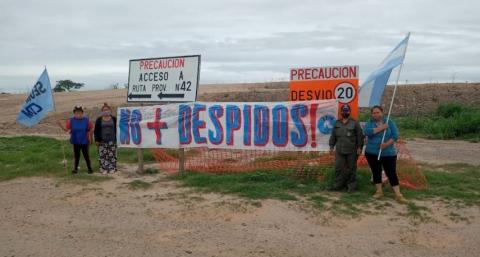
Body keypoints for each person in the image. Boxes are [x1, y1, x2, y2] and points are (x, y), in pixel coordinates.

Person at [364, 105, 408, 204]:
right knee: (376, 172)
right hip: (371, 152)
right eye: (374, 113)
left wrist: (386, 144)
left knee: (391, 172)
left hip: (388, 153)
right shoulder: (370, 122)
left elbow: (395, 135)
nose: (375, 114)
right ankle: (379, 191)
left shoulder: (389, 121)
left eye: (377, 112)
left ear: (382, 112)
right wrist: (382, 127)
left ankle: (398, 194)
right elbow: (367, 132)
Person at [328, 104, 364, 192]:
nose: (345, 112)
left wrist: (360, 147)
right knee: (338, 168)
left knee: (351, 169)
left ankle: (351, 187)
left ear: (349, 112)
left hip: (352, 150)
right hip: (339, 150)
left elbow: (360, 136)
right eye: (343, 111)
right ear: (341, 112)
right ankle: (337, 185)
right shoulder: (337, 123)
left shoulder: (355, 123)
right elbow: (333, 136)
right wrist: (331, 146)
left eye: (347, 111)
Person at [57, 105, 94, 174]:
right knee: (76, 156)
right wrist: (60, 125)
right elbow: (66, 129)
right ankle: (75, 169)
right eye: (76, 113)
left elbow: (91, 130)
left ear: (82, 113)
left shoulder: (87, 120)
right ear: (74, 113)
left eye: (79, 112)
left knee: (86, 155)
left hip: (84, 141)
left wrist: (91, 139)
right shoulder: (71, 120)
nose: (78, 114)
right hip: (75, 140)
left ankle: (89, 168)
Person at [94, 103, 117, 175]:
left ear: (110, 110)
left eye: (107, 109)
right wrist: (96, 140)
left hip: (112, 140)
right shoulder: (99, 119)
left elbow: (118, 128)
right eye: (104, 110)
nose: (106, 111)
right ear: (102, 111)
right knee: (103, 155)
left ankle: (112, 168)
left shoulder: (114, 119)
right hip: (102, 140)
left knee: (112, 155)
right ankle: (104, 169)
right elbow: (96, 131)